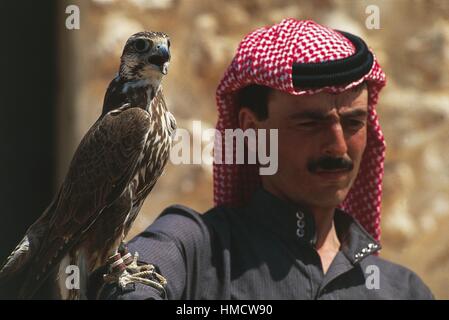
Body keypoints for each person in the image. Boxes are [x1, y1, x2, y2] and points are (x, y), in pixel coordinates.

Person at [97, 19, 433, 300]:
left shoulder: (402, 290)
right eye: (310, 123)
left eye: (353, 122)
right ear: (251, 129)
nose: (337, 145)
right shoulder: (195, 247)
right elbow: (130, 286)